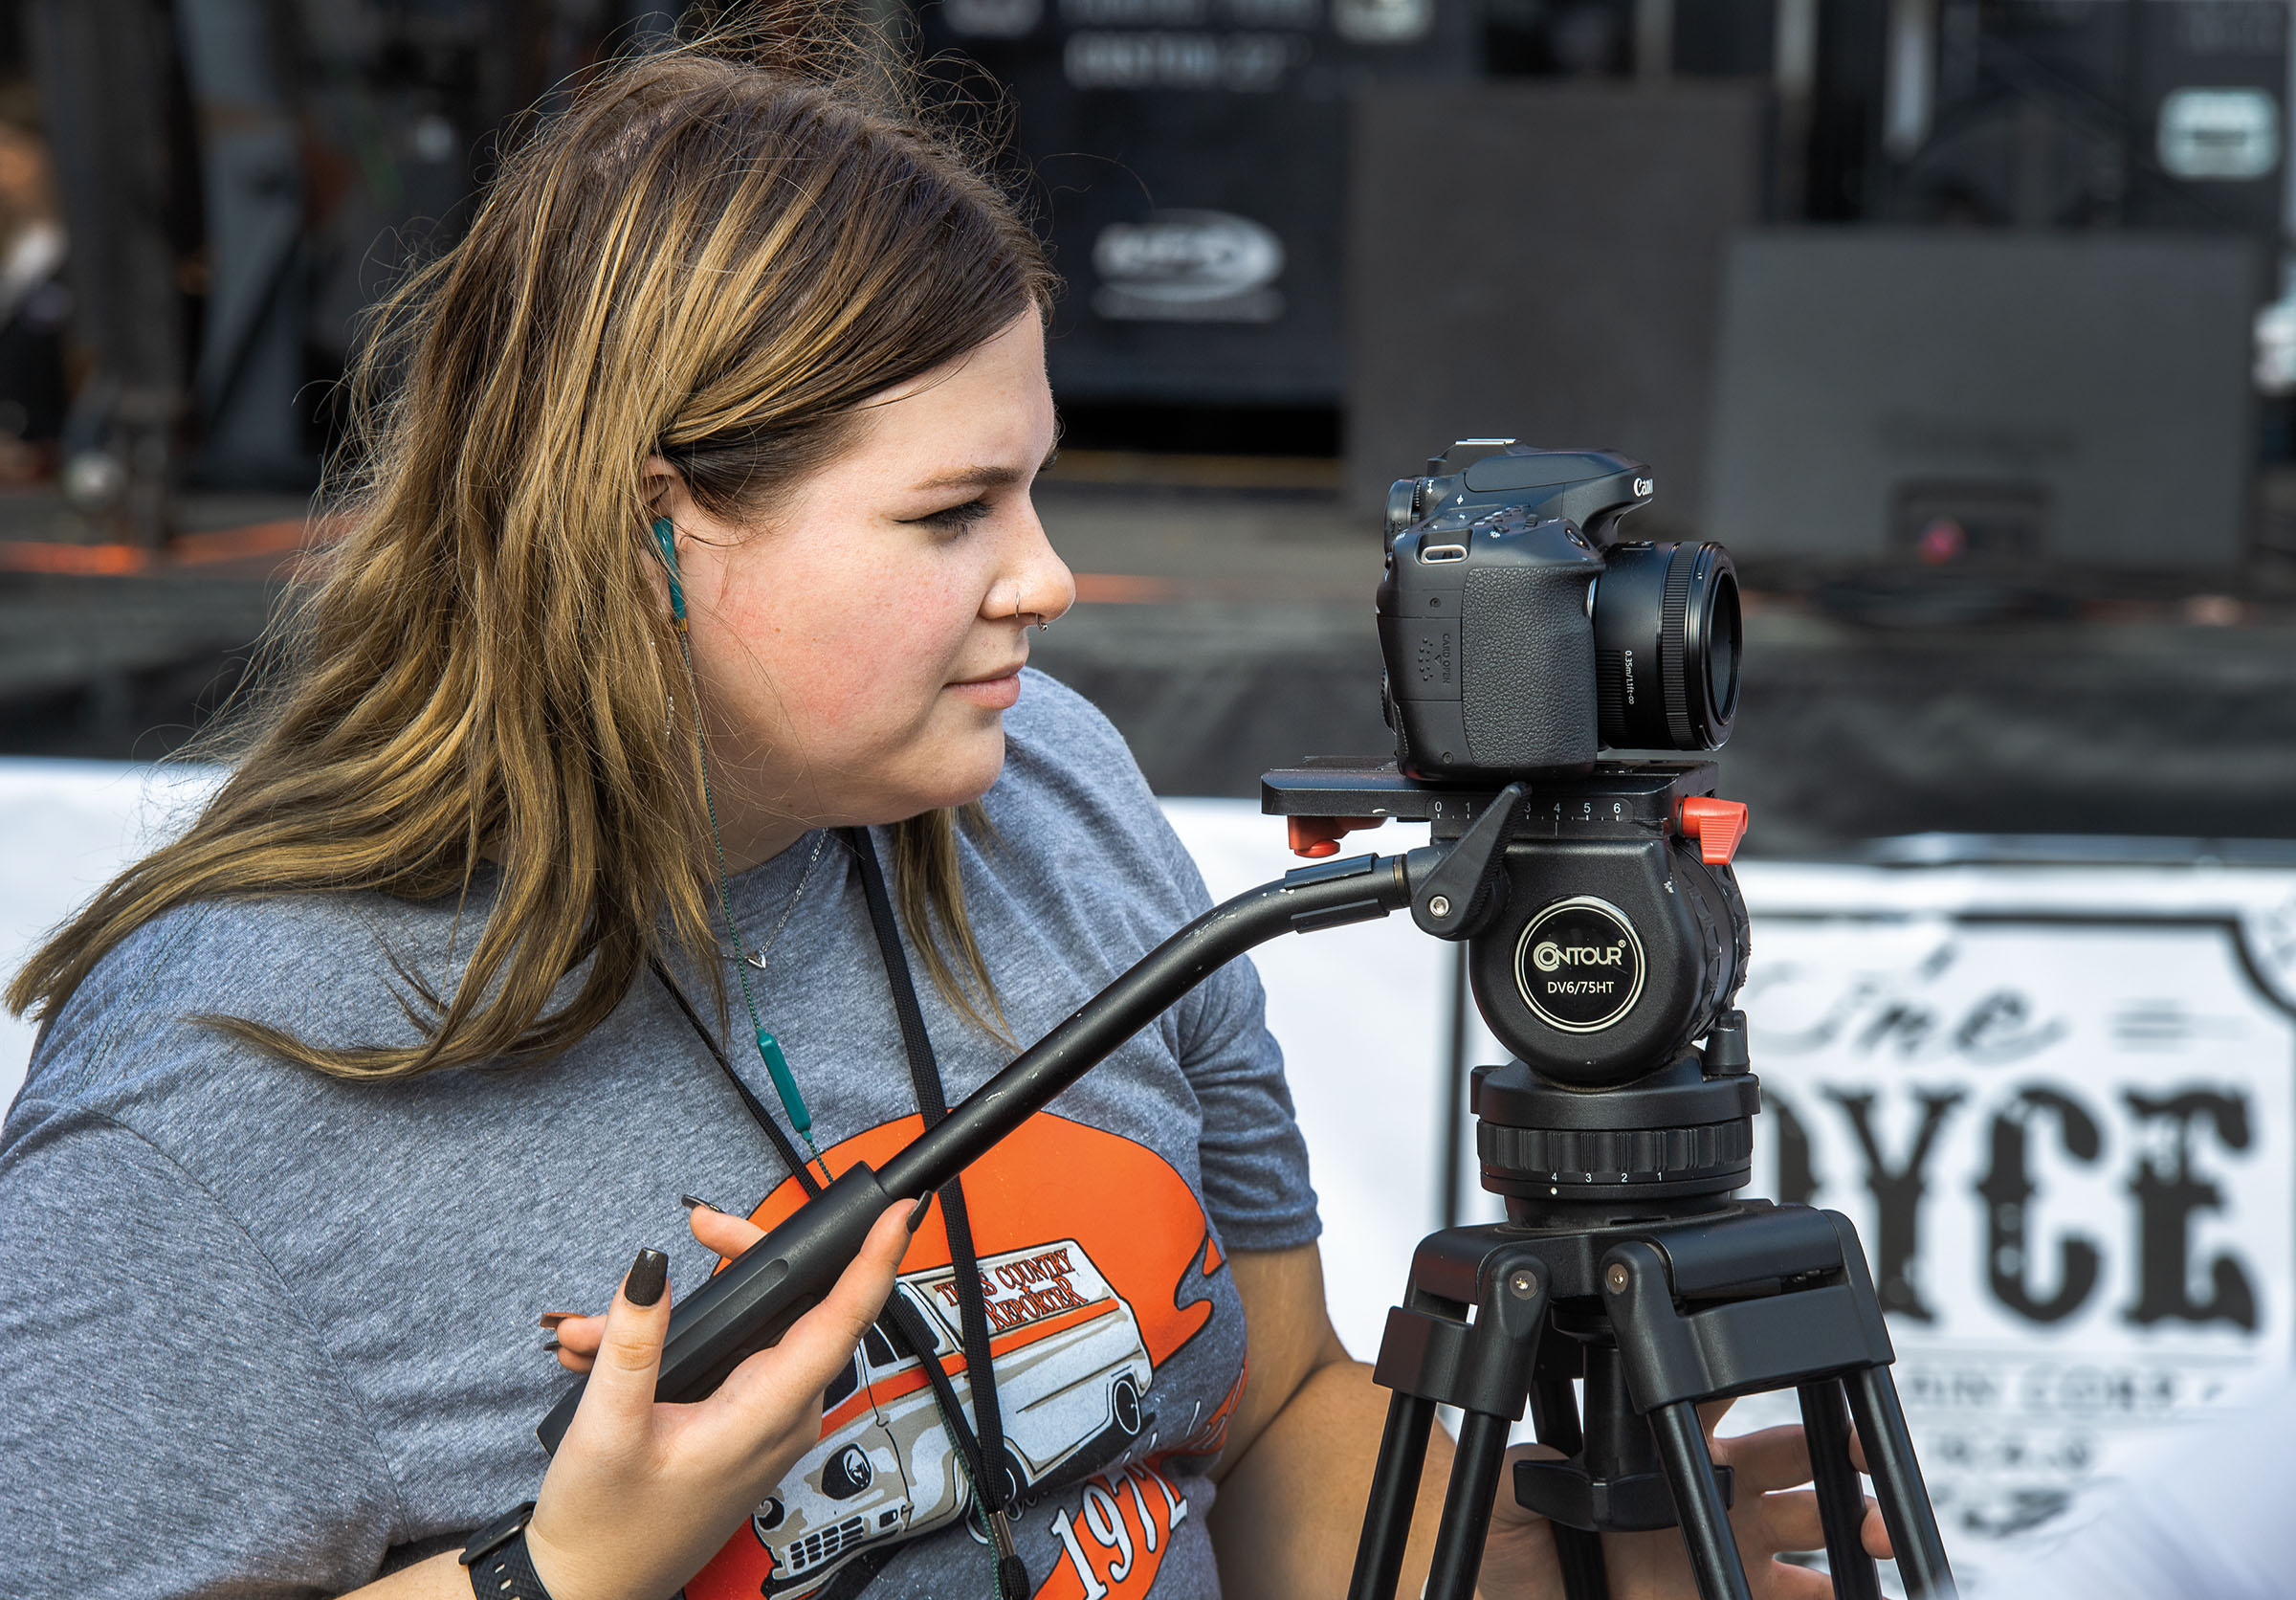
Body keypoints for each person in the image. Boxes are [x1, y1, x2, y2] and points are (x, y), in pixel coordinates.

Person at [0, 16, 1873, 1600]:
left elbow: (1278, 1402)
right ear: (652, 527)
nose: (1047, 580)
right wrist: (549, 1576)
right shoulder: (221, 1089)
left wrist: (1559, 1567)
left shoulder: (1049, 780)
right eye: (951, 511)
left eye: (1036, 491)